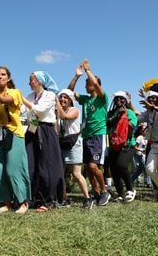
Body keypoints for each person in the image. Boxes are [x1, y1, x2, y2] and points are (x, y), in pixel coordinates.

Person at [0, 66, 30, 214]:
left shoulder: (15, 93)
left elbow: (3, 99)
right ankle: (6, 203)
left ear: (8, 78)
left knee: (13, 169)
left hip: (13, 134)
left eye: (3, 75)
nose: (0, 77)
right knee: (0, 170)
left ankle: (23, 202)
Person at [67, 59, 110, 206]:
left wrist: (88, 70)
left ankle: (105, 191)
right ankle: (96, 193)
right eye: (86, 82)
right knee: (88, 169)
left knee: (93, 166)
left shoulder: (103, 99)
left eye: (88, 82)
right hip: (85, 136)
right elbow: (68, 92)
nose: (87, 84)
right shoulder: (86, 100)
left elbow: (97, 85)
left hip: (98, 135)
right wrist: (77, 76)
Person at [23, 71, 64, 212]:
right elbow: (24, 111)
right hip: (32, 130)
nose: (29, 82)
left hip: (45, 130)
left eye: (31, 79)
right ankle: (34, 198)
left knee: (46, 165)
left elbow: (40, 111)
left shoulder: (50, 95)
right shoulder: (30, 96)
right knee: (31, 164)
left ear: (39, 81)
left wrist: (22, 100)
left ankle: (48, 200)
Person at [56, 88, 92, 209]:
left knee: (76, 173)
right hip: (62, 143)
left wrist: (56, 103)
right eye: (61, 97)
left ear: (71, 100)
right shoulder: (58, 112)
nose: (62, 99)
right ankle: (64, 199)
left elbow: (65, 116)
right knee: (60, 173)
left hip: (74, 144)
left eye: (65, 97)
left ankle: (87, 198)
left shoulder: (74, 110)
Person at [106, 91, 138, 202]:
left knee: (122, 165)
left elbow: (131, 128)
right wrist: (117, 116)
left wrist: (123, 117)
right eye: (116, 99)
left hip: (128, 144)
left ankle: (130, 189)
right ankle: (120, 193)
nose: (119, 101)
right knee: (114, 170)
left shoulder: (130, 113)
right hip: (113, 144)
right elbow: (107, 124)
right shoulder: (110, 113)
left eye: (122, 98)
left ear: (126, 101)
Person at [130, 122, 151, 188]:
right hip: (139, 155)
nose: (145, 131)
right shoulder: (139, 137)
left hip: (145, 155)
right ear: (141, 131)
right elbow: (135, 147)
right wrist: (141, 150)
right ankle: (149, 183)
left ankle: (130, 180)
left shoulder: (147, 137)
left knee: (140, 169)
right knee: (145, 167)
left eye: (146, 129)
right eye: (144, 129)